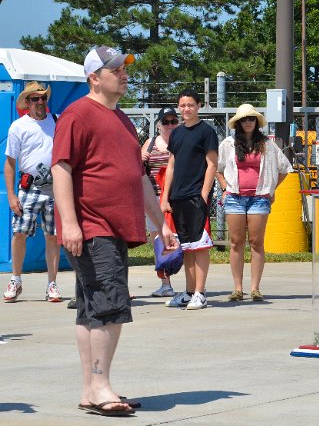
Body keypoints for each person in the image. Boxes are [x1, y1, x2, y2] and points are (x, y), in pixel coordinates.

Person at [52, 45, 174, 417]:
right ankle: (101, 386)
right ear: (94, 78)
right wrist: (70, 223)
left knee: (91, 308)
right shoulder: (77, 115)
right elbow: (61, 169)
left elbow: (138, 178)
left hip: (114, 227)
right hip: (92, 226)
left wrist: (161, 224)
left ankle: (91, 389)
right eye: (115, 70)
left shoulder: (122, 120)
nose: (124, 74)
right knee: (111, 305)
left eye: (124, 69)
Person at [217, 104, 292, 302]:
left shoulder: (267, 144)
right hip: (234, 197)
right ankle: (238, 288)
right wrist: (225, 188)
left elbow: (284, 168)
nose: (248, 122)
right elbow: (217, 168)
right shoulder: (228, 143)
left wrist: (271, 188)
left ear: (256, 121)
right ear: (238, 123)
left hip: (259, 198)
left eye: (251, 119)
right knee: (236, 241)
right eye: (244, 119)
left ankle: (255, 288)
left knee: (256, 242)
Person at [4, 81, 62, 303]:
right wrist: (11, 196)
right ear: (27, 102)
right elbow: (10, 164)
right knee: (19, 233)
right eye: (35, 98)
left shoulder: (57, 121)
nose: (40, 102)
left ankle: (52, 284)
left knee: (53, 236)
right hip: (29, 189)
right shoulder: (18, 127)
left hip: (55, 188)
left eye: (43, 98)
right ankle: (16, 280)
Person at [161, 89, 218, 310]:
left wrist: (203, 195)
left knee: (200, 246)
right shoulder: (176, 133)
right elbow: (171, 165)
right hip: (178, 197)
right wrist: (165, 197)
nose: (186, 109)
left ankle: (200, 293)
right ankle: (189, 291)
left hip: (196, 196)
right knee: (186, 247)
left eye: (190, 105)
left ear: (199, 106)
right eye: (183, 105)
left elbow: (212, 165)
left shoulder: (207, 132)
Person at [140, 106, 179, 298]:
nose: (170, 125)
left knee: (182, 239)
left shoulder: (181, 141)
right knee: (158, 240)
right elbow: (138, 169)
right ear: (158, 125)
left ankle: (193, 285)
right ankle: (165, 283)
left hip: (175, 197)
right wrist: (141, 158)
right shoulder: (150, 143)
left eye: (173, 121)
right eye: (166, 122)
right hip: (154, 198)